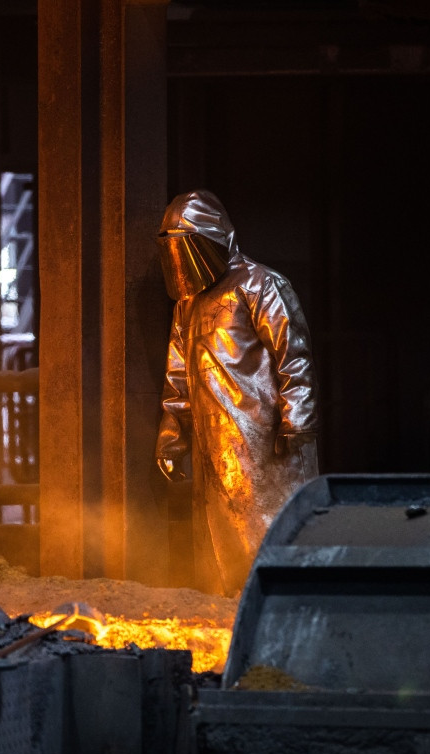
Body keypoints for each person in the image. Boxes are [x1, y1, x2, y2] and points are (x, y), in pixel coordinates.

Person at [155, 190, 319, 596]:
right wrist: (173, 439)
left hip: (264, 439)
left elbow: (293, 355)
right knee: (217, 541)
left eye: (191, 246)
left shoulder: (261, 285)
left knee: (269, 532)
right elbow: (179, 378)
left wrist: (297, 420)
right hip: (214, 443)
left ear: (213, 238)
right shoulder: (187, 305)